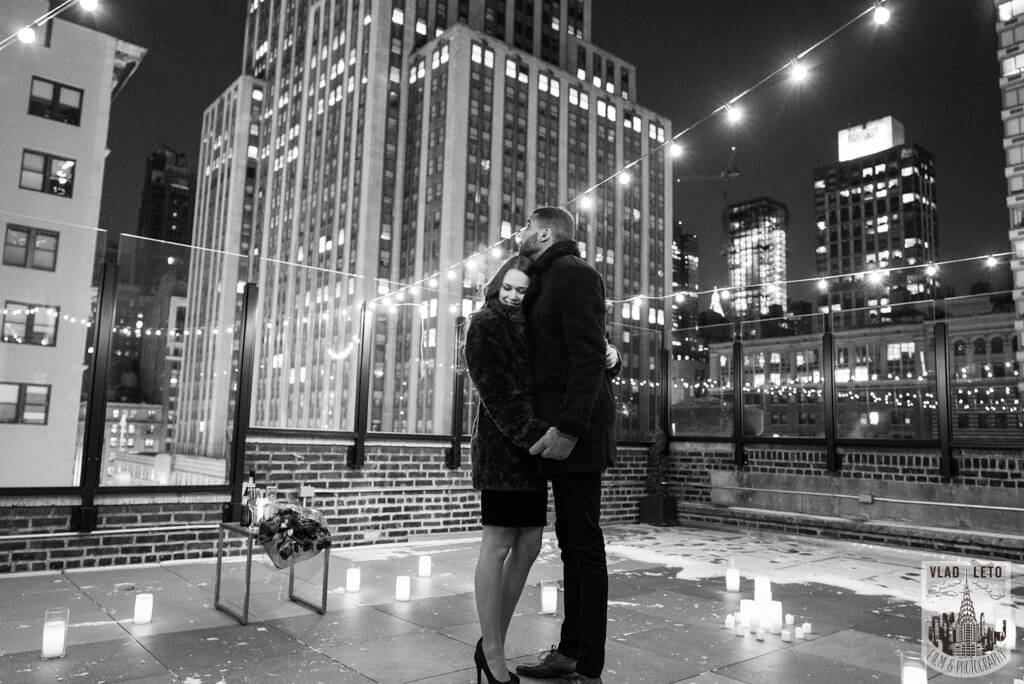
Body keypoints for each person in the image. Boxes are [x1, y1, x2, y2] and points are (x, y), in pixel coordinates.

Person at [515, 206, 617, 684]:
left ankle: (587, 665)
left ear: (543, 232)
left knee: (583, 547)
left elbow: (587, 355)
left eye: (523, 226)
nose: (518, 233)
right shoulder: (544, 277)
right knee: (572, 546)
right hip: (556, 432)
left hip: (575, 435)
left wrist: (570, 429)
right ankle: (571, 651)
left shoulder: (575, 275)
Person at [463, 255, 553, 684]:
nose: (515, 296)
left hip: (531, 452)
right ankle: (493, 652)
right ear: (497, 285)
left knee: (531, 544)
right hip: (504, 449)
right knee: (497, 546)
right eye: (509, 288)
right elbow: (495, 391)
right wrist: (533, 434)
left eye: (522, 290)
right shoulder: (483, 324)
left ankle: (490, 639)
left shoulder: (530, 328)